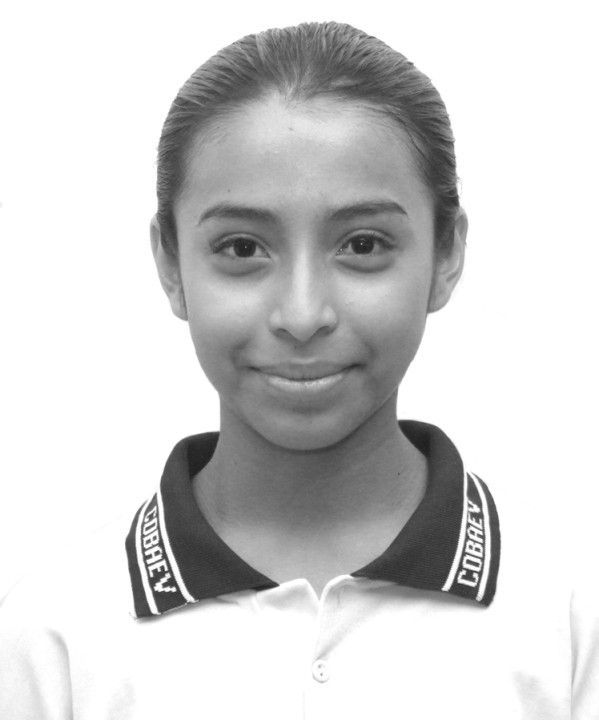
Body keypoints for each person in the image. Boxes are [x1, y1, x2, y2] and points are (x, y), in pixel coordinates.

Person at [0, 20, 597, 719]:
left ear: (445, 254)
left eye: (363, 244)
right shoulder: (56, 633)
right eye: (242, 247)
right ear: (170, 264)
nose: (303, 313)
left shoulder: (569, 609)